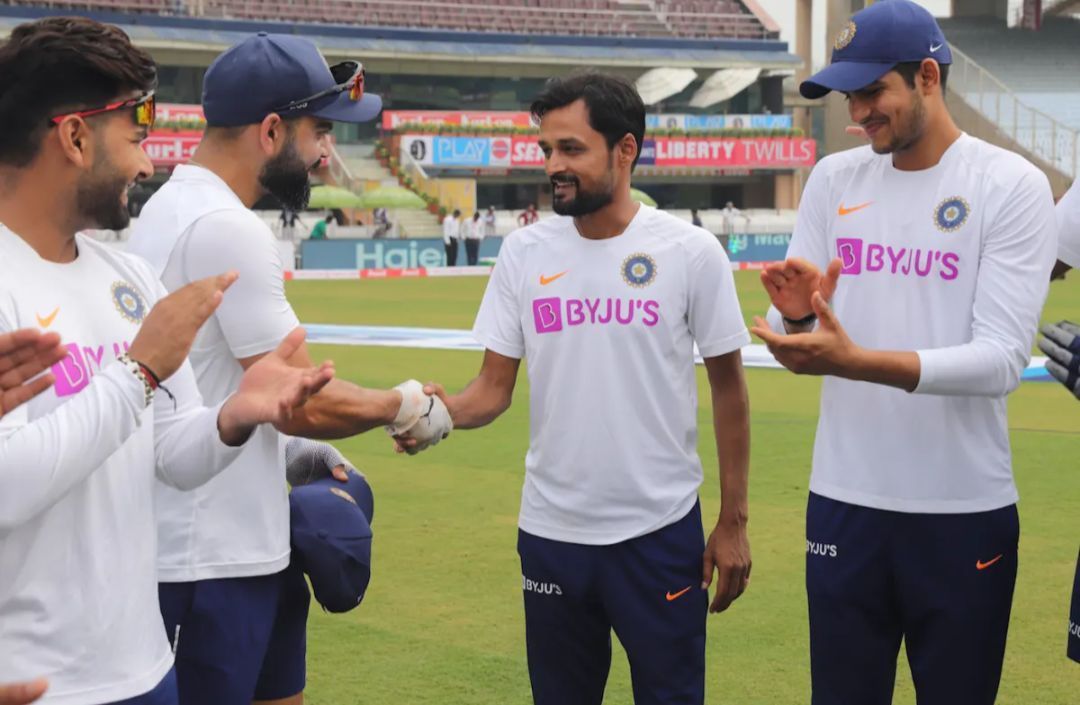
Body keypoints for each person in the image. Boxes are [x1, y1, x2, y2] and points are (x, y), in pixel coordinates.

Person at [0, 17, 335, 705]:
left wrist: (235, 418)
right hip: (35, 682)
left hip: (146, 668)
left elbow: (171, 456)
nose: (148, 164)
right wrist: (136, 373)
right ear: (73, 136)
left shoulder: (126, 280)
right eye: (136, 138)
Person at [397, 72, 751, 705]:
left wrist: (732, 521)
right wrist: (433, 415)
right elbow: (492, 388)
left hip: (659, 534)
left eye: (571, 149)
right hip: (552, 536)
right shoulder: (525, 253)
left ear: (625, 150)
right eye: (547, 150)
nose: (554, 165)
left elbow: (729, 391)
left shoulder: (690, 253)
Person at [126, 33, 450, 705]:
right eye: (320, 131)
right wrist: (406, 404)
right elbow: (298, 396)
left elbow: (244, 390)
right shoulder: (224, 225)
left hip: (242, 541)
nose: (327, 152)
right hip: (204, 558)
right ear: (271, 130)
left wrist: (295, 452)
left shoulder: (177, 208)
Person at [749, 3, 1056, 703]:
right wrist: (795, 316)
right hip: (843, 503)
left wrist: (856, 359)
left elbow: (1001, 360)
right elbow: (792, 328)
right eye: (850, 97)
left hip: (962, 510)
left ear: (926, 76)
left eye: (871, 92)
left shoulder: (1008, 185)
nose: (858, 115)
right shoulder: (834, 180)